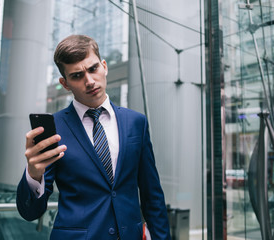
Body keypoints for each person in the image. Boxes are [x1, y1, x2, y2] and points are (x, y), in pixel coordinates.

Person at [16, 34, 171, 240]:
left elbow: (152, 194)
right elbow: (30, 212)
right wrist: (34, 175)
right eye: (77, 75)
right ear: (65, 83)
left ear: (104, 66)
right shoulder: (55, 128)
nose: (89, 81)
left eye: (93, 69)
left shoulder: (136, 122)